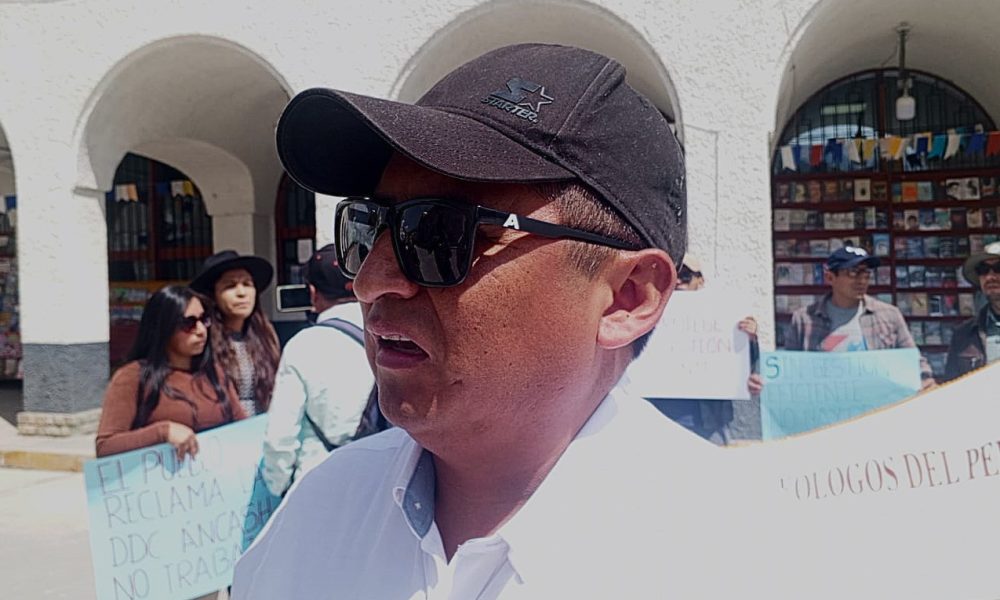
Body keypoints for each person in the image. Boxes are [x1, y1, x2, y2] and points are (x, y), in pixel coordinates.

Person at [234, 44, 741, 598]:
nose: (371, 280)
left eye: (441, 233)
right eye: (368, 225)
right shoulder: (317, 516)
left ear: (626, 297)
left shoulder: (732, 560)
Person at [260, 244, 376, 497]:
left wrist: (278, 486)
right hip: (383, 481)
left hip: (318, 484)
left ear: (312, 293)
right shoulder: (386, 337)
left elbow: (280, 437)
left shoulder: (303, 346)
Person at [96, 285, 245, 459]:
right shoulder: (132, 377)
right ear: (164, 327)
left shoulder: (215, 373)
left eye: (204, 320)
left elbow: (244, 427)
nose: (201, 330)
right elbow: (105, 446)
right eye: (188, 323)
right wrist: (162, 432)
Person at [645, 253, 764, 443]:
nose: (678, 281)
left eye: (685, 276)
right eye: (673, 276)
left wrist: (749, 342)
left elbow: (743, 370)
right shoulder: (646, 315)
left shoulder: (724, 316)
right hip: (661, 420)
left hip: (710, 422)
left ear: (700, 280)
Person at [786, 246, 935, 387]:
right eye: (853, 273)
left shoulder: (889, 315)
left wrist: (926, 381)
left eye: (866, 274)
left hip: (878, 403)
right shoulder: (803, 319)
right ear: (830, 277)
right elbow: (790, 370)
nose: (862, 281)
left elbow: (913, 360)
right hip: (827, 402)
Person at [190, 250, 281, 416]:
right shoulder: (203, 341)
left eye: (247, 284)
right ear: (213, 295)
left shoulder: (266, 337)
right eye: (230, 286)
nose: (241, 293)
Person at [943, 241, 1000, 380]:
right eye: (983, 270)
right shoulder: (963, 334)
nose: (990, 277)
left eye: (998, 268)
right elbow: (951, 385)